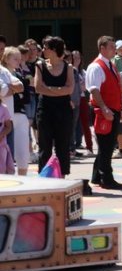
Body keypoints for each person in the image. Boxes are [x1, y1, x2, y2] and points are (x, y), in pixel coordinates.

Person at [87, 36, 122, 189]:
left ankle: (97, 177)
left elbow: (115, 88)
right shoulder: (96, 66)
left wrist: (119, 109)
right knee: (106, 147)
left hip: (112, 110)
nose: (114, 50)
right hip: (103, 111)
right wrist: (104, 108)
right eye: (111, 47)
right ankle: (106, 179)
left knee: (106, 146)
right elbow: (94, 90)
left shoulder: (111, 65)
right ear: (102, 48)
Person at [34, 36, 74, 177]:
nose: (42, 50)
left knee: (62, 146)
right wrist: (59, 90)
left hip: (64, 111)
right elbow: (38, 88)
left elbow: (70, 89)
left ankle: (61, 177)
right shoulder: (40, 65)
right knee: (45, 147)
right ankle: (44, 177)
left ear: (54, 49)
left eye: (45, 47)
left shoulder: (68, 66)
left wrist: (49, 89)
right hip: (45, 110)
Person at [1, 47, 28, 175]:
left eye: (20, 58)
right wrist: (11, 89)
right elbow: (3, 91)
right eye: (15, 58)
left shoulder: (10, 73)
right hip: (4, 120)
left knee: (16, 156)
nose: (19, 61)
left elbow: (22, 88)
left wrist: (9, 88)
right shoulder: (4, 71)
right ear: (6, 59)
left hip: (12, 118)